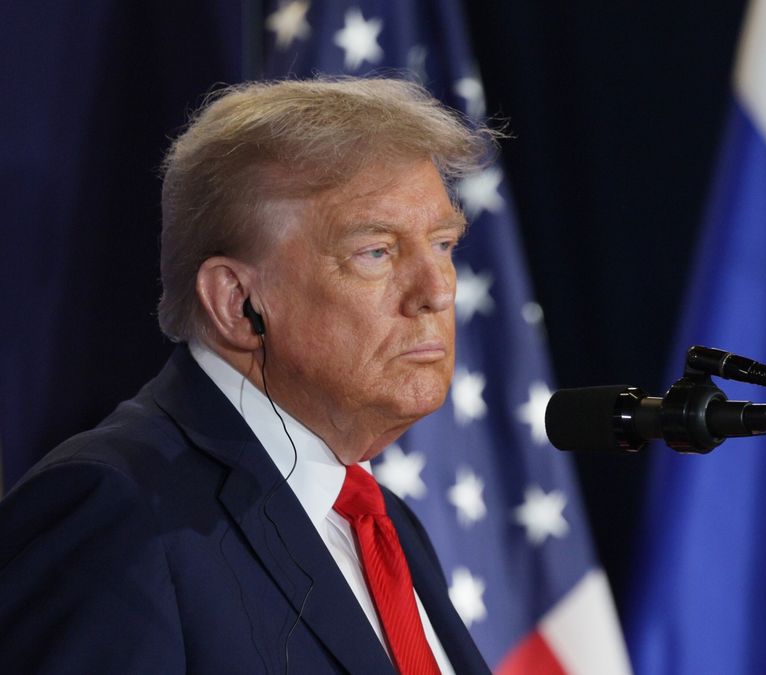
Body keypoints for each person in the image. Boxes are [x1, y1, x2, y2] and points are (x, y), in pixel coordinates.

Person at [0, 78, 493, 674]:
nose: (437, 291)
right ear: (237, 303)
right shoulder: (117, 511)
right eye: (377, 252)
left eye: (443, 244)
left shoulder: (383, 522)